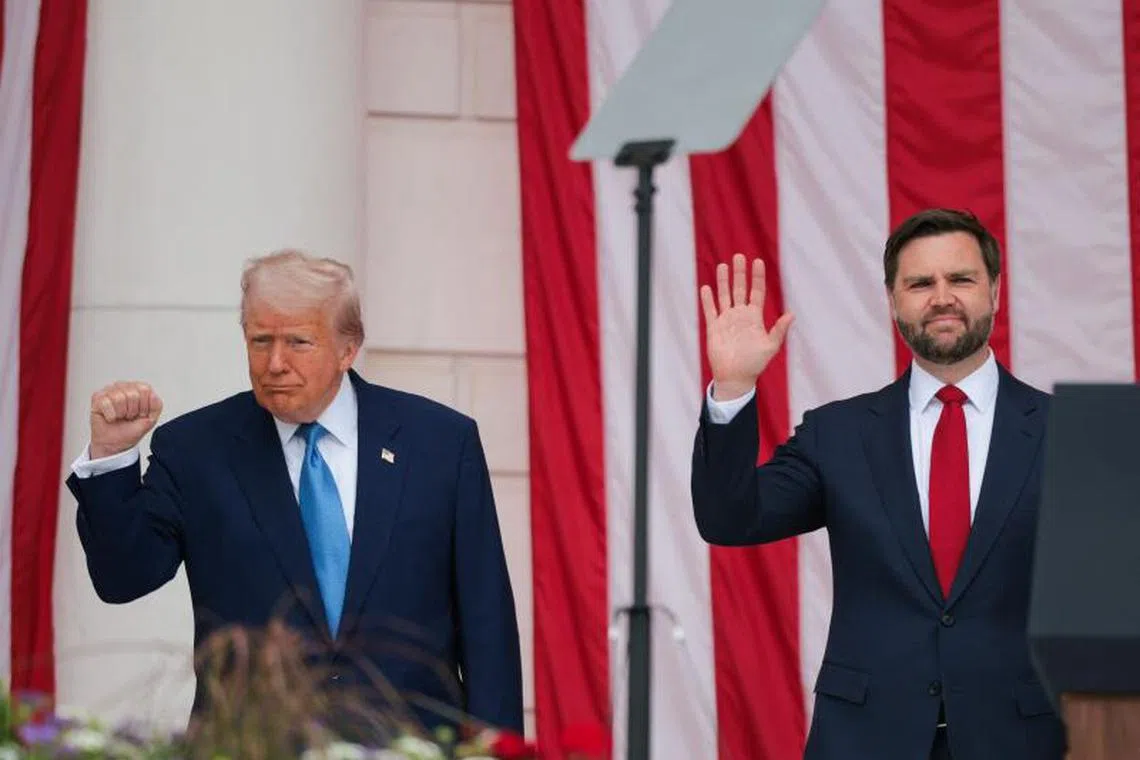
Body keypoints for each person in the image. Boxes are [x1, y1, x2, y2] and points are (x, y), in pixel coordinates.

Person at [65, 250, 523, 740]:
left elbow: (486, 625)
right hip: (251, 746)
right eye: (260, 341)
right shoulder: (196, 448)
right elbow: (123, 578)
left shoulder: (439, 444)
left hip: (409, 745)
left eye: (297, 342)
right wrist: (112, 459)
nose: (275, 363)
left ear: (348, 349)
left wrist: (497, 750)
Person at [690, 208, 1066, 759]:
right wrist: (733, 386)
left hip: (1021, 739)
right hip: (865, 740)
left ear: (995, 291)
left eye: (960, 279)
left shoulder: (1065, 432)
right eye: (920, 283)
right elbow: (729, 518)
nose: (941, 297)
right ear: (893, 301)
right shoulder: (838, 434)